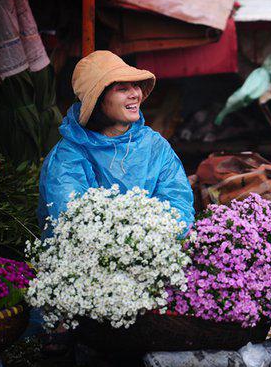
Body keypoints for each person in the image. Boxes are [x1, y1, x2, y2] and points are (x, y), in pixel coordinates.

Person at [38, 50, 194, 236]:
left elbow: (178, 203)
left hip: (154, 254)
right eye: (122, 89)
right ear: (98, 101)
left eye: (135, 86)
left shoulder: (155, 145)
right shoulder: (69, 155)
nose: (135, 94)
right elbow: (72, 219)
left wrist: (146, 242)